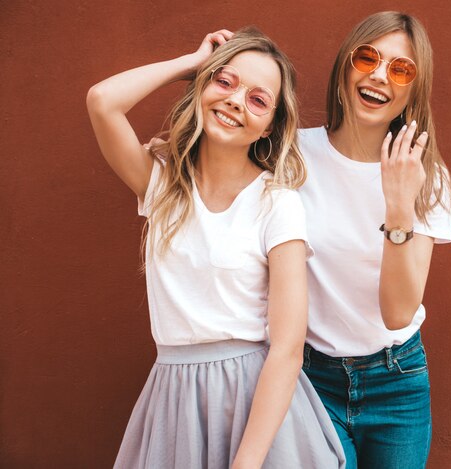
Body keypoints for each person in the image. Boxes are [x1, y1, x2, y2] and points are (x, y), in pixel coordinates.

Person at [86, 27, 345, 469]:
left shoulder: (276, 203)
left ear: (269, 127)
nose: (235, 101)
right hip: (173, 399)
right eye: (224, 82)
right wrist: (191, 64)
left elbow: (287, 348)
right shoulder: (162, 184)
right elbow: (102, 100)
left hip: (253, 402)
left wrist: (245, 464)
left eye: (258, 100)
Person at [297, 11, 451, 469]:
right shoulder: (293, 155)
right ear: (347, 69)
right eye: (367, 57)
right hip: (311, 377)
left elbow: (397, 312)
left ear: (413, 90)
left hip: (397, 381)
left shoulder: (427, 177)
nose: (380, 75)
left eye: (400, 68)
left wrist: (399, 206)